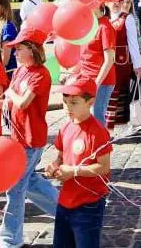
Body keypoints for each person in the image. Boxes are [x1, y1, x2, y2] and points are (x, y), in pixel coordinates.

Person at [0, 26, 59, 248]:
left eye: (19, 48)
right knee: (29, 182)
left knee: (15, 188)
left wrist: (9, 92)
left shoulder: (40, 74)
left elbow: (21, 102)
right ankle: (69, 212)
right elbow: (8, 102)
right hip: (18, 137)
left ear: (31, 49)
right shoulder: (21, 71)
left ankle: (11, 240)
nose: (15, 53)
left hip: (31, 139)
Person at [46, 76, 111, 248]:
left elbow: (104, 167)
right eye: (65, 101)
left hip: (88, 204)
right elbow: (61, 157)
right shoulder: (65, 127)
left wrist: (74, 171)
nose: (68, 107)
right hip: (65, 201)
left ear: (90, 102)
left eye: (74, 102)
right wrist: (54, 166)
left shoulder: (98, 132)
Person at [107, 0, 141, 128]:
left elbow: (133, 42)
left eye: (119, 1)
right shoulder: (105, 18)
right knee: (107, 92)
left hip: (122, 63)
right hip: (106, 63)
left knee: (121, 91)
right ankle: (107, 124)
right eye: (113, 1)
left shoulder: (126, 18)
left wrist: (137, 65)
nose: (116, 3)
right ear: (107, 2)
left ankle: (124, 124)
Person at [80, 4, 117, 125]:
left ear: (98, 7)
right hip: (87, 78)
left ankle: (102, 142)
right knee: (87, 116)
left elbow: (109, 59)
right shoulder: (89, 26)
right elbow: (85, 53)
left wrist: (97, 83)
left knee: (97, 116)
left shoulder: (105, 27)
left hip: (101, 82)